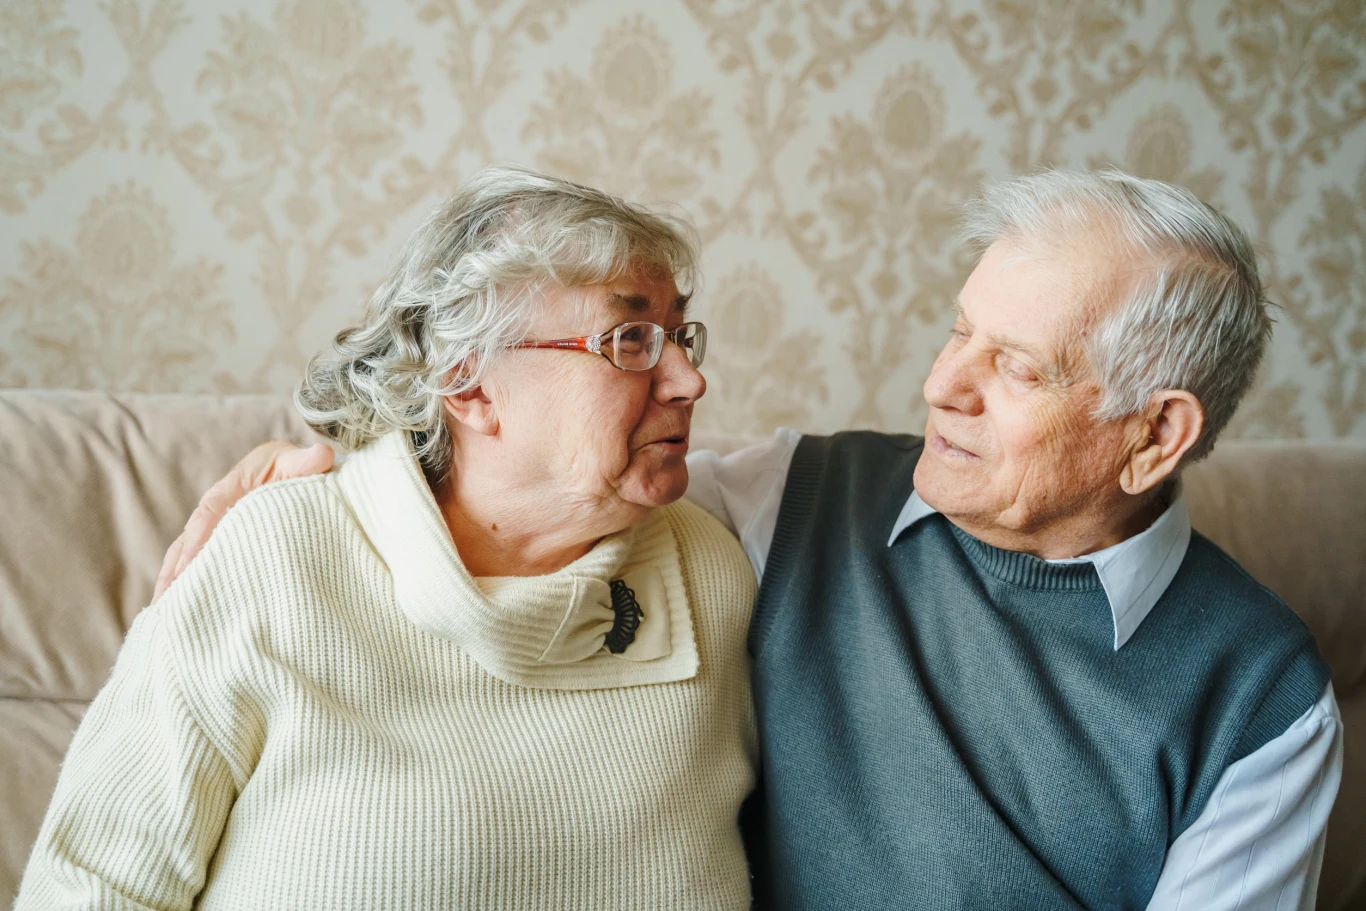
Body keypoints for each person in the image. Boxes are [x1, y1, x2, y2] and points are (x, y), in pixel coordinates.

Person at [151, 170, 1343, 909]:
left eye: (1015, 367)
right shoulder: (793, 502)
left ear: (1154, 435)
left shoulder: (1263, 700)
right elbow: (536, 473)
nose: (943, 384)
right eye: (958, 331)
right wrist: (325, 467)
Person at [17, 168, 760, 910]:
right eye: (632, 338)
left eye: (679, 336)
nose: (688, 380)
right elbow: (90, 888)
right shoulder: (276, 559)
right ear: (469, 384)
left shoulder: (713, 573)